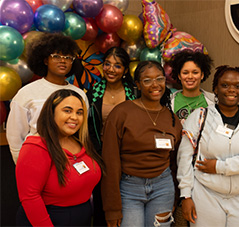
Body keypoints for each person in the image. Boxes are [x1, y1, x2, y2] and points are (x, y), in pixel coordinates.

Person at [177, 65, 239, 227]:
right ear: (215, 89)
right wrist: (186, 196)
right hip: (206, 196)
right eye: (225, 85)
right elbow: (184, 158)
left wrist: (220, 167)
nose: (231, 90)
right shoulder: (199, 116)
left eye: (237, 86)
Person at [101, 61, 182, 227]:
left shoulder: (171, 118)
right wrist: (112, 208)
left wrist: (174, 196)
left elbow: (175, 162)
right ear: (137, 84)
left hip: (163, 187)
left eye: (159, 79)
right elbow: (110, 162)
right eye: (147, 80)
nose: (155, 85)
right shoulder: (121, 113)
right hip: (129, 188)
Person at [16, 89, 104, 226]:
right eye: (67, 111)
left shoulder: (81, 143)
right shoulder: (36, 147)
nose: (75, 117)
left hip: (82, 217)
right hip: (49, 219)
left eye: (79, 112)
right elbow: (30, 197)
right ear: (51, 113)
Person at [6, 32, 88, 165]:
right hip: (36, 161)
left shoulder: (79, 94)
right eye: (56, 56)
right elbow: (15, 137)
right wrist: (23, 165)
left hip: (71, 162)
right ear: (45, 60)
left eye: (68, 57)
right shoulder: (26, 93)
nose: (63, 60)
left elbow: (82, 132)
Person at [86, 47, 136, 226]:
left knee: (128, 206)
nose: (111, 69)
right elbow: (89, 128)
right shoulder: (93, 93)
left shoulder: (134, 93)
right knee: (103, 207)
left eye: (117, 65)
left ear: (124, 70)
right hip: (101, 158)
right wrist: (99, 154)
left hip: (129, 159)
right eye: (107, 64)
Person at [170, 50, 214, 124]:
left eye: (195, 72)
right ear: (179, 76)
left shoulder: (213, 100)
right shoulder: (169, 101)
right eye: (185, 73)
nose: (190, 77)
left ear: (202, 75)